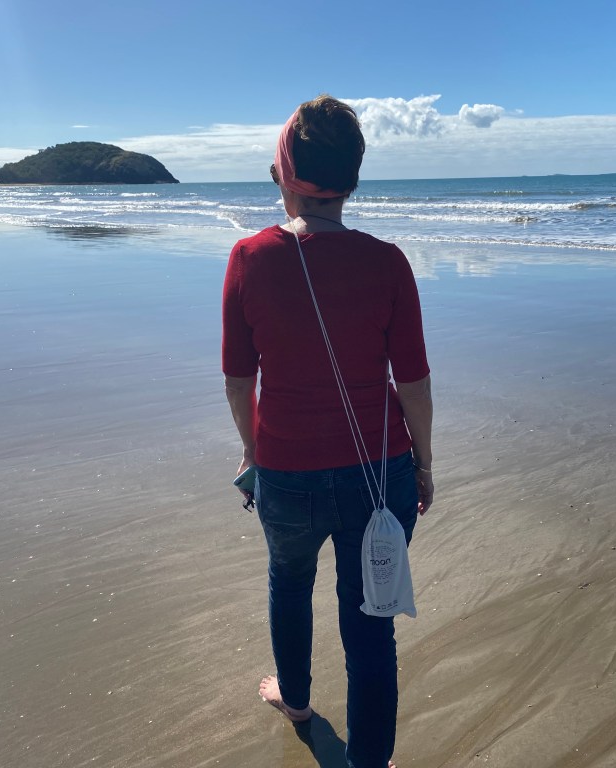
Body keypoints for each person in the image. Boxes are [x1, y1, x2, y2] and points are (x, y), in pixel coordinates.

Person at [221, 95, 434, 768]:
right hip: (379, 470)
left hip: (286, 470)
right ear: (352, 180)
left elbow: (238, 381)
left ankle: (296, 701)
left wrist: (253, 452)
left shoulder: (250, 258)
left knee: (289, 584)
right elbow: (414, 382)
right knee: (370, 626)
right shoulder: (388, 262)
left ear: (284, 173)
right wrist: (424, 464)